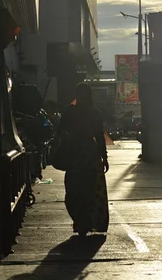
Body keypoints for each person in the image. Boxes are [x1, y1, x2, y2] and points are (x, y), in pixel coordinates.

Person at [58, 83, 110, 237]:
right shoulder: (94, 112)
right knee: (90, 190)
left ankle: (80, 221)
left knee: (73, 190)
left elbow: (60, 130)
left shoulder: (69, 112)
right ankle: (87, 220)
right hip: (89, 155)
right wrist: (104, 157)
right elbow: (100, 137)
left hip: (74, 154)